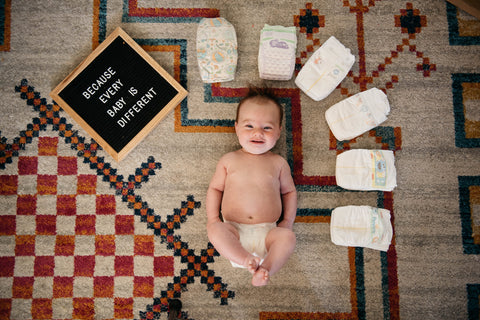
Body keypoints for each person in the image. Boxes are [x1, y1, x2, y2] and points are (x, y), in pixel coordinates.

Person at [206, 85, 297, 287]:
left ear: (279, 131)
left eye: (267, 127)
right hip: (234, 232)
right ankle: (246, 260)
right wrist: (213, 219)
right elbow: (215, 189)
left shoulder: (278, 163)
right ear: (236, 127)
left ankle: (265, 269)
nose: (258, 133)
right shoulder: (229, 160)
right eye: (249, 126)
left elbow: (289, 192)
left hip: (269, 233)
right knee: (215, 232)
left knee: (288, 238)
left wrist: (287, 223)